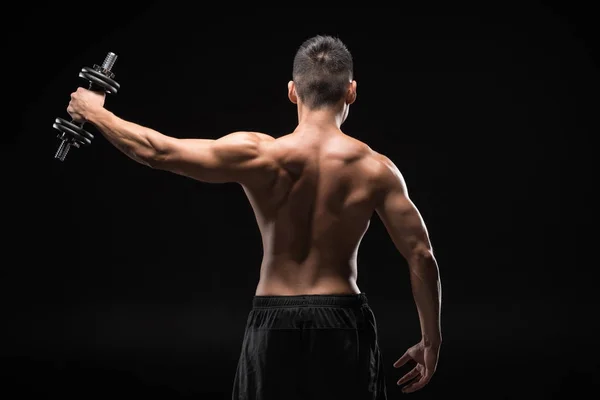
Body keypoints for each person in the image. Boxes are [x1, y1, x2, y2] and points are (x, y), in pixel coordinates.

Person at [67, 34, 442, 399]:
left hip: (272, 321)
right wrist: (430, 341)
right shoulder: (376, 169)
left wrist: (94, 112)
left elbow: (158, 152)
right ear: (351, 91)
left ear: (293, 91)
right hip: (343, 322)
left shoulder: (260, 155)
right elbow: (421, 256)